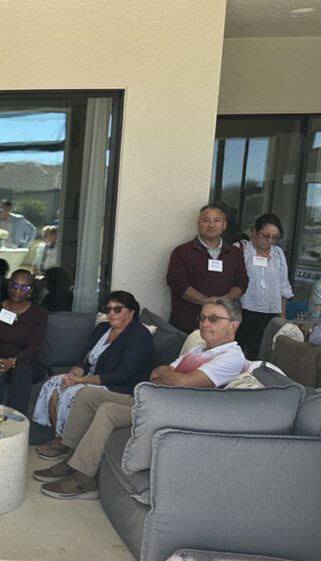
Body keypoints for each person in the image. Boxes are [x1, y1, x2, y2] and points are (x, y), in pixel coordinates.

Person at [33, 297, 247, 499]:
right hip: (151, 398)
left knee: (107, 411)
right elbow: (156, 373)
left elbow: (181, 383)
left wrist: (170, 376)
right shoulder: (199, 348)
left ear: (233, 325)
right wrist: (169, 375)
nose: (205, 323)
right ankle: (71, 459)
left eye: (213, 318)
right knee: (86, 394)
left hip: (172, 413)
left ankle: (84, 478)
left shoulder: (231, 357)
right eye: (202, 317)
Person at [32, 290, 156, 458]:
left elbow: (122, 375)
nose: (111, 313)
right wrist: (72, 375)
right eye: (108, 309)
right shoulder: (102, 328)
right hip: (90, 377)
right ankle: (59, 437)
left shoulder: (139, 335)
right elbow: (83, 358)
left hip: (118, 386)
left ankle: (65, 443)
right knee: (54, 384)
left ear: (132, 312)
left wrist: (80, 381)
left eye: (117, 309)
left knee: (71, 392)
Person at [166, 203, 248, 332]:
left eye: (217, 220)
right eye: (206, 220)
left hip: (223, 325)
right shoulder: (182, 252)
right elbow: (177, 283)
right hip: (187, 324)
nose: (211, 225)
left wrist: (224, 300)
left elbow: (242, 282)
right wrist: (207, 302)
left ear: (224, 225)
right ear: (199, 224)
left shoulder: (235, 253)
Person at [0, 269, 48, 414]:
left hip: (26, 362)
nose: (18, 291)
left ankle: (15, 424)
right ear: (9, 286)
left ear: (30, 291)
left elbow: (33, 347)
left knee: (22, 371)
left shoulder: (39, 313)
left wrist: (12, 362)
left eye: (24, 288)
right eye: (14, 285)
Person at [235, 213, 293, 359]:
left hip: (269, 314)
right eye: (265, 235)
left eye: (274, 237)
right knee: (237, 354)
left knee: (260, 355)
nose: (269, 241)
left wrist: (282, 317)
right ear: (254, 231)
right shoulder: (241, 249)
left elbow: (283, 286)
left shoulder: (278, 253)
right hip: (243, 311)